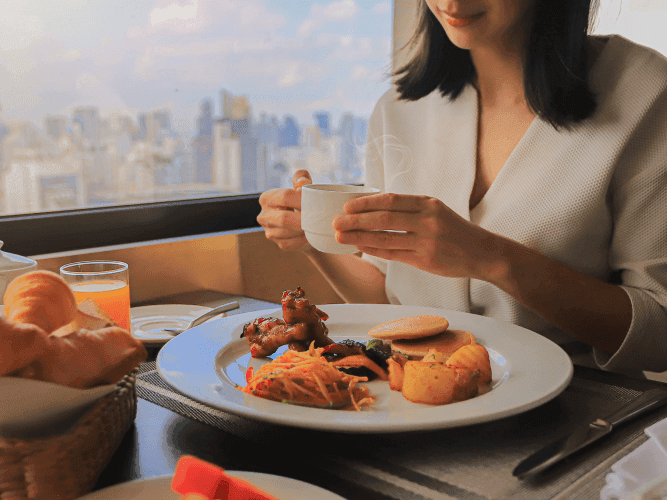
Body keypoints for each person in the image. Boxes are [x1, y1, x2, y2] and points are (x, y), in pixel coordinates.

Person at [258, 0, 667, 375]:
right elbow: (393, 305)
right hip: (413, 405)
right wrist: (313, 238)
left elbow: (659, 333)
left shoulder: (645, 93)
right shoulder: (399, 108)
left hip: (577, 413)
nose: (451, 3)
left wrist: (491, 259)